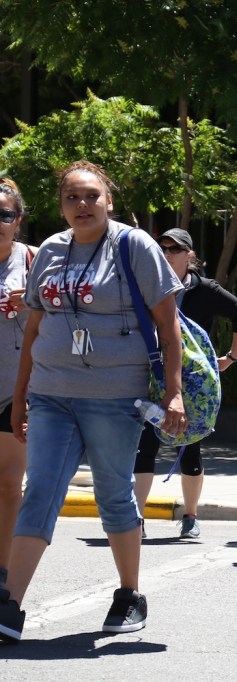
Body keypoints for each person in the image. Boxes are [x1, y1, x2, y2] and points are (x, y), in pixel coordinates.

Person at [0, 160, 185, 642]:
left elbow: (168, 325)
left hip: (114, 397)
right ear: (61, 205)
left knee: (113, 494)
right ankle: (9, 607)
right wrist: (21, 396)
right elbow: (35, 327)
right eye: (72, 197)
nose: (82, 205)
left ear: (109, 201)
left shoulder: (134, 246)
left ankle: (129, 593)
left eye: (91, 196)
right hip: (51, 395)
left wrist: (175, 392)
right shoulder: (51, 252)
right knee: (40, 491)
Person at [133, 228, 237, 539]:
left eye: (175, 248)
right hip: (151, 377)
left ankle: (190, 516)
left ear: (190, 255)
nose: (168, 253)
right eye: (164, 247)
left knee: (190, 447)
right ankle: (137, 519)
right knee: (145, 446)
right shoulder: (148, 285)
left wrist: (230, 357)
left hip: (193, 385)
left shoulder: (204, 289)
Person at [0, 178, 35, 592]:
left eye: (5, 215)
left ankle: (4, 572)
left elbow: (67, 313)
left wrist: (33, 300)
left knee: (10, 484)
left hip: (18, 389)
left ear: (18, 220)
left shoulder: (36, 260)